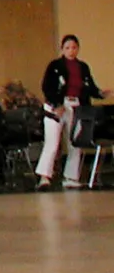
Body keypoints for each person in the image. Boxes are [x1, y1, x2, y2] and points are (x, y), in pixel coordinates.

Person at [37, 34, 103, 190]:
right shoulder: (55, 66)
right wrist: (56, 104)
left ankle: (71, 177)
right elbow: (47, 87)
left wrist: (100, 93)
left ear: (78, 49)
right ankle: (44, 177)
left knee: (75, 142)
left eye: (74, 48)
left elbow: (90, 87)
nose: (71, 51)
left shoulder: (83, 67)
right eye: (67, 48)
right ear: (62, 49)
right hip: (57, 106)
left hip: (76, 105)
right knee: (52, 143)